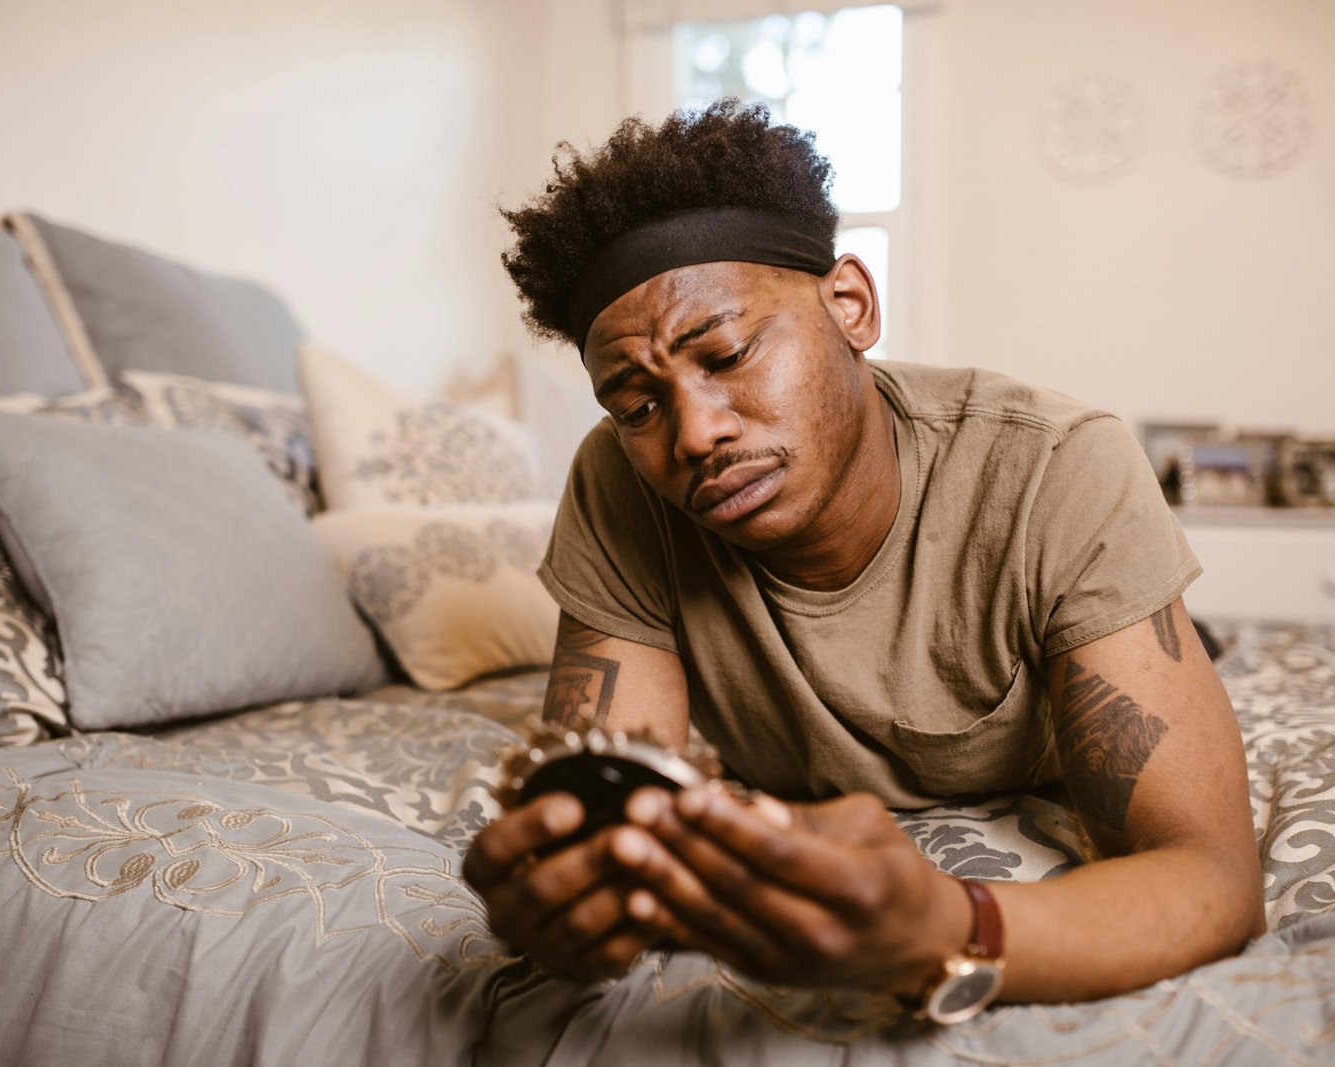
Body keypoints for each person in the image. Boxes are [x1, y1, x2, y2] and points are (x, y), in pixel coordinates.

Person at [464, 99, 1264, 1018]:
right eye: (637, 404)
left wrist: (947, 928)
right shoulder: (620, 484)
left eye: (725, 354)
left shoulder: (1057, 463)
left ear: (850, 304)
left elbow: (1210, 877)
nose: (694, 433)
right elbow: (604, 811)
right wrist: (567, 896)